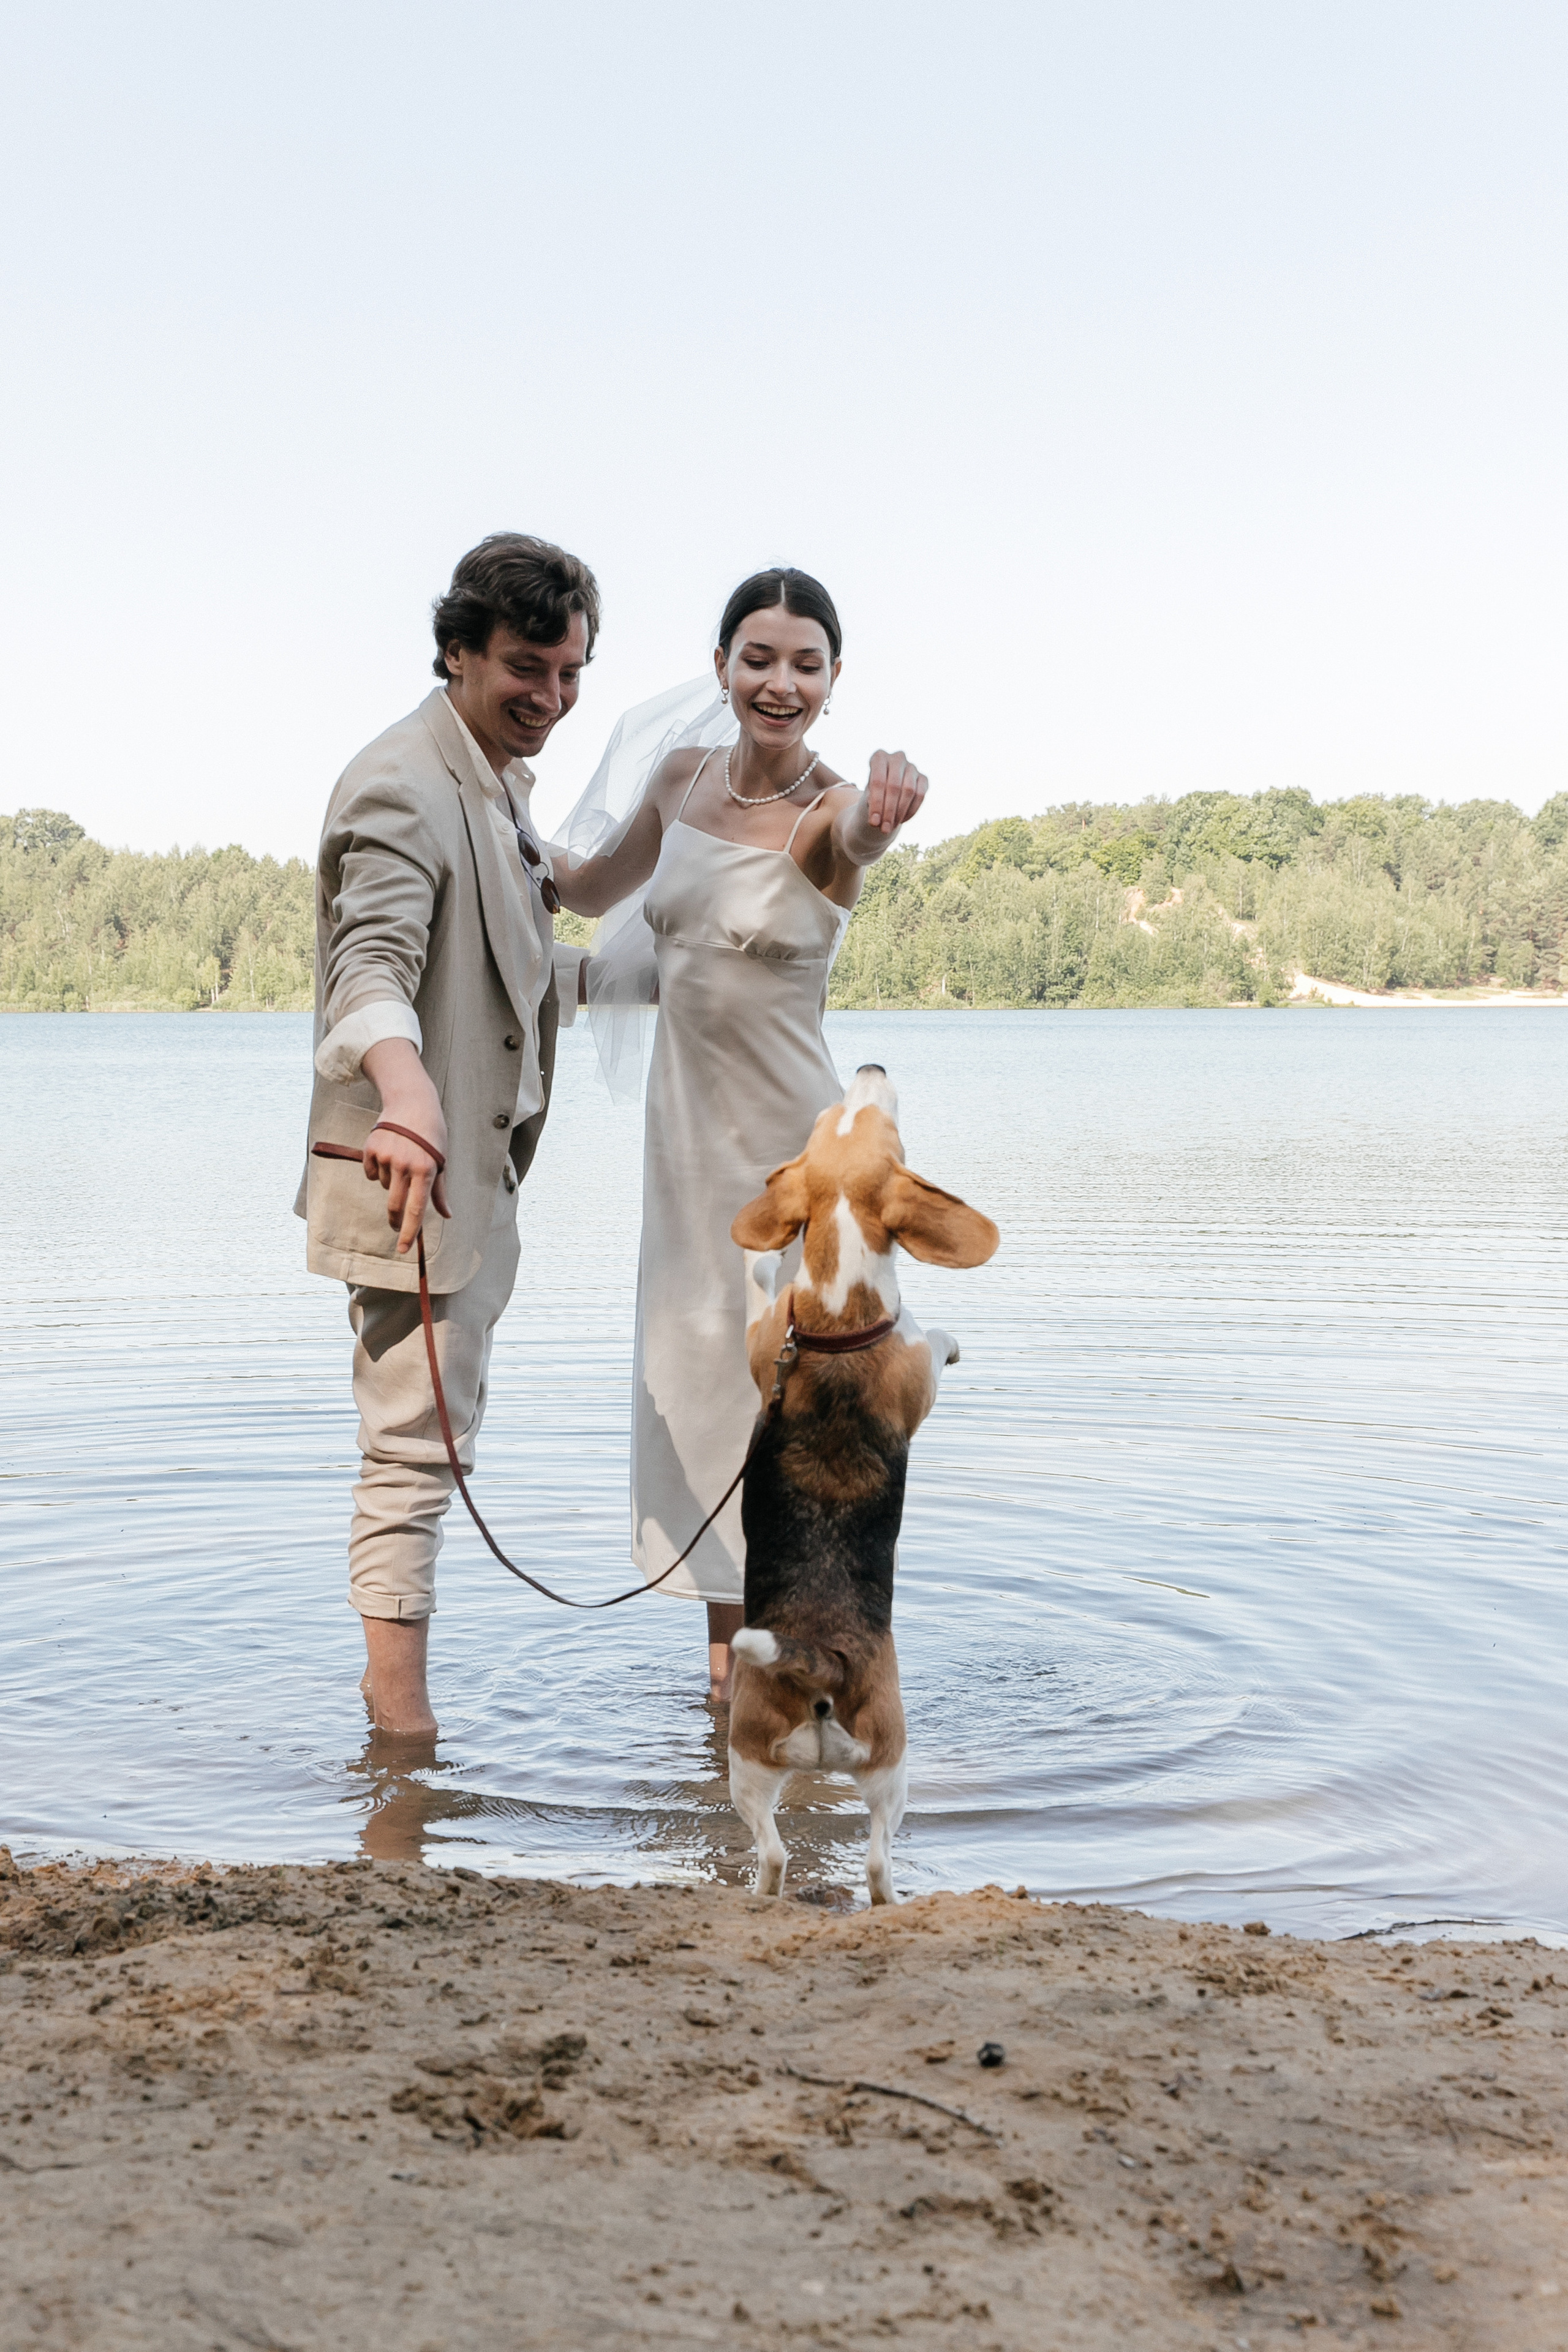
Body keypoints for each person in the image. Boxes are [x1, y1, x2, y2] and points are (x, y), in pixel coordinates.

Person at [551, 567, 927, 1703]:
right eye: (758, 658)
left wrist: (885, 802)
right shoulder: (679, 780)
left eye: (805, 663)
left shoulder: (828, 812)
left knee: (800, 1432)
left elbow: (858, 839)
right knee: (710, 1402)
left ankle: (807, 1682)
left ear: (832, 681)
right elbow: (580, 888)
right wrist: (484, 802)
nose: (780, 681)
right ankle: (732, 1693)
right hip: (685, 1163)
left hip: (796, 1174)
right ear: (720, 668)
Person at [298, 533, 597, 1736]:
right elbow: (366, 968)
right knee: (411, 1461)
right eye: (527, 666)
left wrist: (688, 976)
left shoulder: (495, 780)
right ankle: (400, 1734)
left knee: (439, 1450)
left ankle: (399, 1753)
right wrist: (405, 1093)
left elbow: (511, 981)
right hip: (408, 1176)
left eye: (571, 673)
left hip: (480, 1185)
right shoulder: (401, 783)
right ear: (459, 649)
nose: (552, 698)